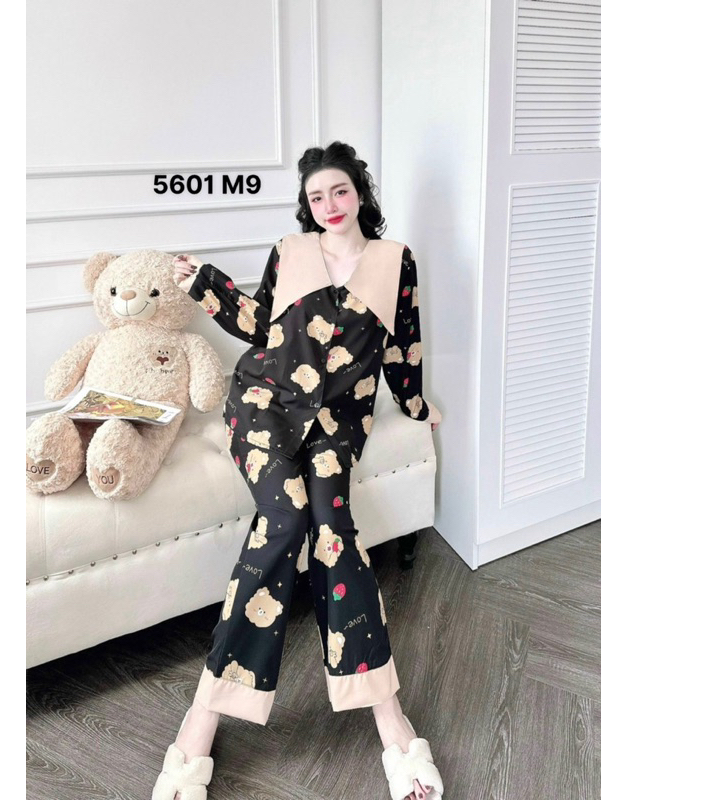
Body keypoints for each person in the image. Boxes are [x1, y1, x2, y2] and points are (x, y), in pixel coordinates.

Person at [151, 142, 444, 800]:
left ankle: (389, 719)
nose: (329, 205)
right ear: (307, 206)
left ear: (360, 192)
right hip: (264, 403)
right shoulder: (291, 250)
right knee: (284, 520)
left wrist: (416, 406)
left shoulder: (396, 261)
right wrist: (205, 282)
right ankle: (204, 714)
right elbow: (259, 323)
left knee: (334, 529)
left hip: (337, 421)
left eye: (339, 191)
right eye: (316, 196)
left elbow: (404, 343)